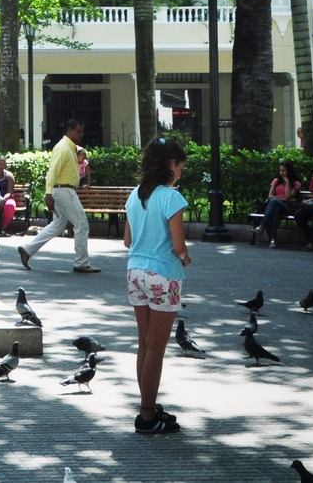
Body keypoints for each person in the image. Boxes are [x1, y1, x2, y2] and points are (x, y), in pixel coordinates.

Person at [125, 136, 190, 435]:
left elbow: (127, 240)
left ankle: (146, 405)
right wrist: (186, 258)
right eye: (180, 164)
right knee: (157, 349)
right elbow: (178, 245)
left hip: (135, 272)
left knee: (144, 345)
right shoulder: (172, 198)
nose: (182, 170)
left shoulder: (134, 195)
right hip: (163, 275)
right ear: (170, 164)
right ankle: (148, 415)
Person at [16, 119, 100, 273]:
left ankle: (27, 250)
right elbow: (52, 171)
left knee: (58, 225)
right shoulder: (63, 148)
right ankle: (81, 263)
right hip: (64, 191)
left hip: (64, 191)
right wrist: (48, 194)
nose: (81, 135)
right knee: (82, 225)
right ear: (69, 130)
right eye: (78, 131)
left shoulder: (69, 148)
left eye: (82, 131)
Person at [255, 160, 305, 248]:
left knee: (274, 202)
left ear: (289, 171)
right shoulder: (276, 181)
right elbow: (270, 195)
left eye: (284, 170)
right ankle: (273, 240)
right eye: (280, 170)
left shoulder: (296, 184)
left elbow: (288, 196)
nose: (281, 173)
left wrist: (287, 182)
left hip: (288, 208)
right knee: (275, 211)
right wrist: (279, 199)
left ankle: (262, 226)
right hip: (276, 208)